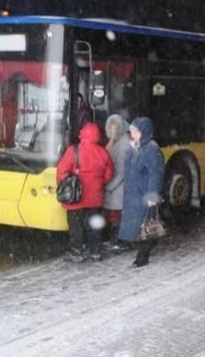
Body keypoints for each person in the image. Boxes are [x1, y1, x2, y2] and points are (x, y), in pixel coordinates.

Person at [56, 122, 114, 263]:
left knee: (76, 227)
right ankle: (95, 252)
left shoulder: (73, 150)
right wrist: (97, 184)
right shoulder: (103, 152)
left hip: (76, 199)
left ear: (82, 134)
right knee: (94, 225)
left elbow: (61, 171)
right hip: (95, 198)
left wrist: (66, 184)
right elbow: (109, 175)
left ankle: (77, 252)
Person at [116, 117, 165, 267]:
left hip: (144, 195)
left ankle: (142, 258)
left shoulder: (151, 148)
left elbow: (155, 174)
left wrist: (152, 195)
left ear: (144, 132)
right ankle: (146, 246)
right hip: (134, 193)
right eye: (131, 132)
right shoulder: (136, 147)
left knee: (145, 225)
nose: (132, 135)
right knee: (138, 224)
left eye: (135, 132)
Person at [102, 114, 131, 251]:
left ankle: (120, 242)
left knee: (117, 216)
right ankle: (116, 241)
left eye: (114, 127)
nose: (112, 130)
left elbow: (120, 172)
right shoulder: (117, 141)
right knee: (114, 215)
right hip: (116, 187)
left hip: (117, 188)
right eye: (110, 127)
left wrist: (108, 186)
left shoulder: (123, 145)